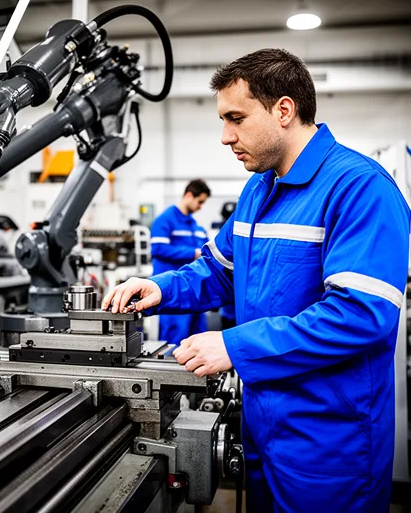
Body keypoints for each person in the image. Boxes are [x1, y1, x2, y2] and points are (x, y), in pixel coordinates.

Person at [102, 49, 409, 511]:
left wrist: (235, 346)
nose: (226, 136)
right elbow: (220, 270)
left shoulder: (359, 188)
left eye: (236, 118)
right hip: (261, 429)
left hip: (328, 444)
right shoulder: (258, 189)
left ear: (283, 110)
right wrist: (162, 287)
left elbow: (359, 315)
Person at [149, 179, 210, 344]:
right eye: (200, 202)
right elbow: (158, 249)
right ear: (189, 195)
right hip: (172, 290)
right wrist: (192, 253)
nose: (200, 207)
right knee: (175, 339)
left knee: (197, 339)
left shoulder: (195, 226)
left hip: (194, 291)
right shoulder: (165, 220)